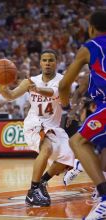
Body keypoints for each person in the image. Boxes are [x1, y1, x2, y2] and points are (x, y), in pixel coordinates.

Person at [0, 49, 80, 207]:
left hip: (53, 126)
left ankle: (42, 182)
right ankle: (33, 190)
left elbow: (55, 94)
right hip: (34, 124)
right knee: (47, 147)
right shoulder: (30, 81)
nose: (47, 63)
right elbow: (11, 96)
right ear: (40, 63)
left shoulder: (63, 81)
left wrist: (37, 89)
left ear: (56, 62)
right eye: (44, 60)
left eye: (51, 60)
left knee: (67, 158)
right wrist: (2, 86)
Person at [58, 9, 106, 219]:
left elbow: (64, 84)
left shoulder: (90, 47)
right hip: (99, 106)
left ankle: (105, 197)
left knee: (77, 141)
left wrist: (67, 108)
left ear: (91, 28)